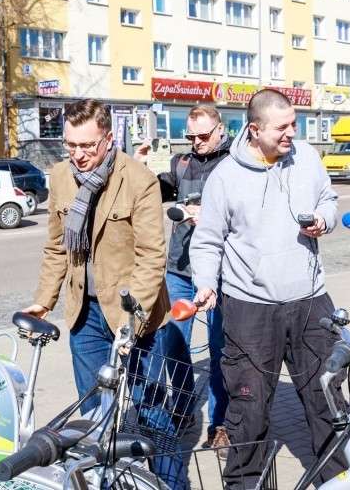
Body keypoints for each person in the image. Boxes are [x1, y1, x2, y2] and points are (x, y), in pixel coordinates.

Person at [22, 99, 184, 489]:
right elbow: (57, 246)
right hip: (86, 315)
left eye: (87, 146)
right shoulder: (61, 176)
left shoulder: (139, 179)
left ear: (109, 139)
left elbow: (151, 257)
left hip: (137, 315)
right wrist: (44, 300)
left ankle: (172, 485)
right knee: (93, 417)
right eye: (71, 145)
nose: (78, 155)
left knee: (152, 415)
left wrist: (131, 322)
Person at [189, 89, 348, 486]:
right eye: (282, 127)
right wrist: (206, 284)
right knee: (250, 411)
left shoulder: (306, 156)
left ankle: (342, 480)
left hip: (312, 301)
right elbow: (207, 240)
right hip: (251, 309)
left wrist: (325, 220)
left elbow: (329, 197)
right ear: (254, 129)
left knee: (327, 400)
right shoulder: (225, 177)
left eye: (294, 124)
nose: (291, 133)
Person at [135, 104, 231, 453]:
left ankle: (220, 423)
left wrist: (212, 216)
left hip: (222, 272)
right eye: (190, 136)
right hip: (179, 268)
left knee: (221, 349)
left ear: (220, 129)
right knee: (173, 344)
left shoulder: (235, 162)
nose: (196, 142)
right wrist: (141, 163)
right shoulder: (181, 162)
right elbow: (151, 191)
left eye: (203, 135)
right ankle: (185, 406)